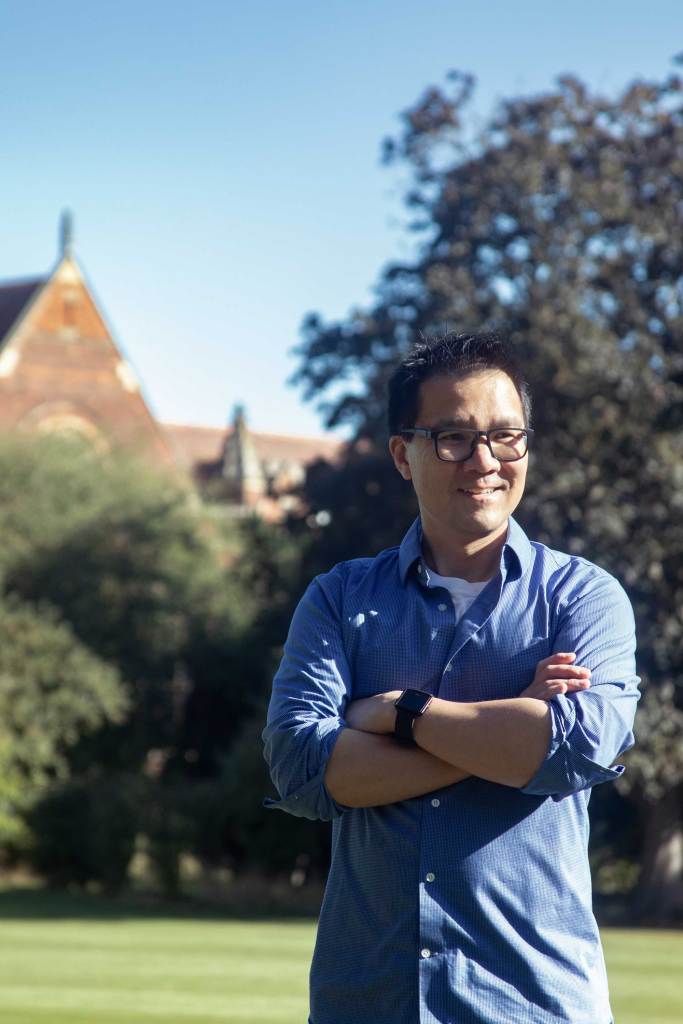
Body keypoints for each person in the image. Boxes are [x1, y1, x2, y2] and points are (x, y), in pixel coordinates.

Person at [262, 332, 639, 1024]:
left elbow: (576, 750)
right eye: (454, 438)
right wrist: (510, 725)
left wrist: (400, 715)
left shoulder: (583, 598)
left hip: (532, 1004)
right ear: (401, 455)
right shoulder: (340, 599)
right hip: (368, 1004)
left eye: (505, 436)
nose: (485, 461)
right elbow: (303, 768)